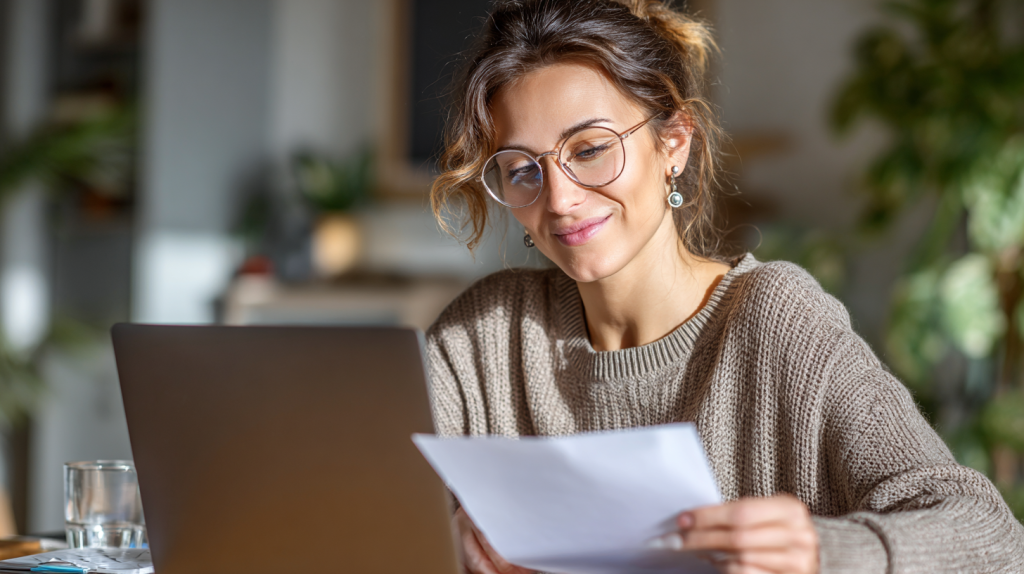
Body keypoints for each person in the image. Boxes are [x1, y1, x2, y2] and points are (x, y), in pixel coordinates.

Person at [424, 1, 1024, 572]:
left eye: (591, 149)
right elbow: (360, 514)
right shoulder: (482, 338)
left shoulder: (776, 321)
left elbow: (993, 540)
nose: (560, 199)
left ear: (673, 145)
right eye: (524, 169)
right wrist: (438, 541)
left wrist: (824, 553)